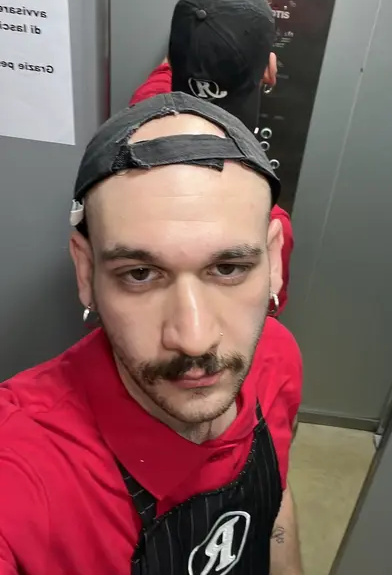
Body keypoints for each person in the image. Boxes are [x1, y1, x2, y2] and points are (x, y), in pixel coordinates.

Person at [0, 93, 303, 574]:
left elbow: (277, 501)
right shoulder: (21, 468)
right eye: (140, 274)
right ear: (86, 272)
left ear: (274, 264)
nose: (194, 338)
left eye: (229, 268)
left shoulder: (278, 357)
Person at [130, 0, 294, 315]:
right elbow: (262, 317)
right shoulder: (269, 224)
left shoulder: (143, 108)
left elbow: (175, 58)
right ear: (269, 70)